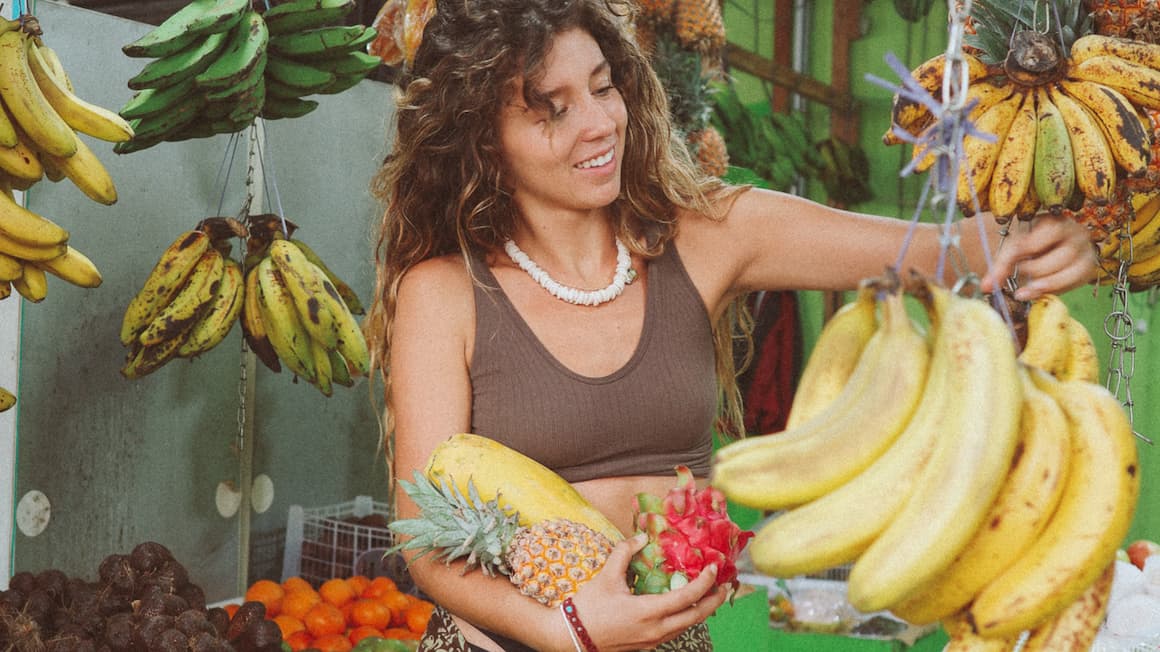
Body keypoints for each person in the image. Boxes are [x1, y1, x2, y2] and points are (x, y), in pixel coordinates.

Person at [364, 1, 1097, 650]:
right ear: (483, 140)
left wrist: (1051, 239)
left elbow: (947, 251)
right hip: (505, 643)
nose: (597, 123)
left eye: (601, 86)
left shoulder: (709, 235)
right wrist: (568, 631)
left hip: (674, 644)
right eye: (549, 108)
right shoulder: (446, 292)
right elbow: (423, 545)